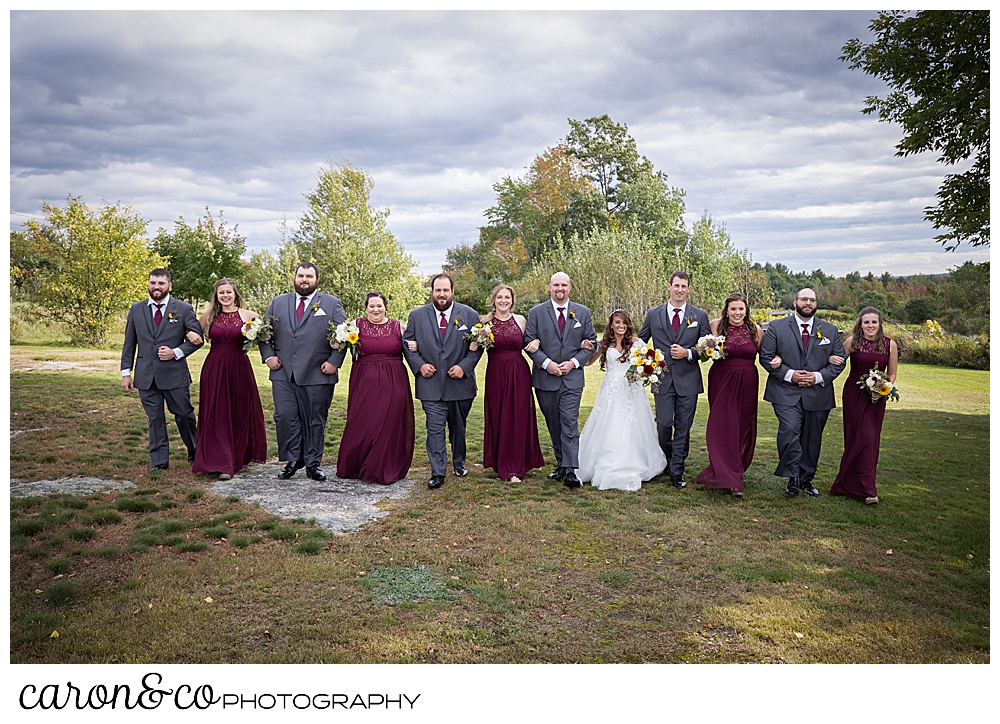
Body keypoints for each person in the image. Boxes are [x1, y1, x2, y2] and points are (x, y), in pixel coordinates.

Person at [258, 262, 347, 482]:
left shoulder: (331, 303)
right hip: (283, 372)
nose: (304, 280)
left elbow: (344, 335)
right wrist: (268, 356)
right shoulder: (278, 302)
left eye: (309, 276)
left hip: (318, 371)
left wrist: (334, 361)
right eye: (300, 275)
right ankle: (293, 459)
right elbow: (263, 333)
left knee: (315, 420)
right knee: (285, 416)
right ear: (295, 277)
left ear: (317, 279)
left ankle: (313, 463)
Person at [758, 288, 846, 496]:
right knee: (789, 430)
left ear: (816, 304)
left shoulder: (830, 330)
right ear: (795, 302)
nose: (808, 303)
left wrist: (816, 377)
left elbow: (839, 361)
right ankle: (792, 477)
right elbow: (766, 357)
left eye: (812, 300)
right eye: (804, 299)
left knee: (812, 437)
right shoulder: (777, 327)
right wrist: (790, 374)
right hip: (785, 391)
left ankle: (806, 479)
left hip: (818, 393)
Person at [403, 273, 484, 490]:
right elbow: (407, 343)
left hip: (459, 384)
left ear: (452, 291)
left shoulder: (469, 315)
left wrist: (464, 367)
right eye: (437, 290)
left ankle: (459, 463)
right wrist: (419, 365)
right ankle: (438, 471)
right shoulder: (417, 316)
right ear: (432, 291)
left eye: (445, 290)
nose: (441, 294)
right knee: (435, 428)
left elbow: (478, 346)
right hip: (430, 385)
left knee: (458, 427)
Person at [120, 268, 204, 473]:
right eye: (153, 283)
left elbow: (197, 340)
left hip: (174, 375)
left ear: (169, 286)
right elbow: (129, 343)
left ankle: (195, 452)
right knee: (155, 419)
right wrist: (126, 373)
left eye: (161, 283)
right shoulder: (136, 309)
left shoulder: (183, 309)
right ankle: (159, 462)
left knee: (184, 415)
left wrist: (176, 352)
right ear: (148, 284)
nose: (156, 287)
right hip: (146, 376)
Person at [523, 272, 598, 489]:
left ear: (570, 287)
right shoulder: (536, 313)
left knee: (569, 422)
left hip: (572, 379)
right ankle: (561, 464)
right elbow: (529, 342)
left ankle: (572, 470)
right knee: (554, 423)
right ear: (550, 287)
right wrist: (548, 364)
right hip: (545, 378)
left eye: (564, 285)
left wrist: (573, 362)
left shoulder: (582, 312)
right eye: (556, 285)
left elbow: (591, 342)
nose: (560, 288)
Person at [578, 310, 666, 491]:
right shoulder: (604, 343)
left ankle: (635, 461)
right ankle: (606, 462)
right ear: (611, 324)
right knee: (609, 423)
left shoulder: (635, 342)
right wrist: (585, 346)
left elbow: (651, 359)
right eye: (617, 322)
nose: (621, 326)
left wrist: (646, 370)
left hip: (631, 388)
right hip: (610, 389)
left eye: (624, 323)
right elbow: (588, 362)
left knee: (633, 423)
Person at [638, 271, 711, 489]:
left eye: (684, 286)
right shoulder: (653, 313)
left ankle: (677, 469)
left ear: (689, 289)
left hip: (688, 380)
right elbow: (641, 341)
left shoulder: (699, 315)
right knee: (663, 424)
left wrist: (688, 353)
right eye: (676, 285)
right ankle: (666, 459)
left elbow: (707, 348)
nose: (679, 289)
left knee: (683, 426)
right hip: (661, 378)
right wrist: (645, 361)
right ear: (668, 286)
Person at [190, 278, 268, 480]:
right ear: (216, 295)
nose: (225, 295)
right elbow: (193, 336)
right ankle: (220, 461)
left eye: (228, 292)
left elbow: (266, 338)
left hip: (239, 367)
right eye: (221, 292)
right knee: (216, 413)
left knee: (238, 412)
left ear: (235, 294)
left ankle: (237, 457)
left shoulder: (249, 316)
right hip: (214, 367)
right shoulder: (208, 316)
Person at [335, 291, 415, 485]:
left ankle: (381, 466)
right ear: (366, 308)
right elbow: (336, 344)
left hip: (394, 381)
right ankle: (357, 463)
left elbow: (414, 346)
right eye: (372, 306)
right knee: (363, 422)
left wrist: (415, 345)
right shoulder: (355, 326)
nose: (376, 309)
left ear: (386, 307)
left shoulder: (399, 327)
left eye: (379, 305)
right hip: (363, 382)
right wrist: (337, 340)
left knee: (388, 423)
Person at [695, 293, 762, 497]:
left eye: (741, 309)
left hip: (748, 381)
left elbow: (765, 354)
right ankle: (723, 471)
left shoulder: (755, 329)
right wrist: (706, 349)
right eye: (733, 309)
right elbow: (703, 349)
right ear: (727, 310)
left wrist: (777, 360)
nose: (737, 313)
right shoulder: (716, 325)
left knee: (741, 426)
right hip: (722, 379)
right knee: (722, 425)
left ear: (746, 310)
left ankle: (735, 474)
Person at [476, 285, 545, 483]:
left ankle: (517, 465)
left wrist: (536, 342)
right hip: (496, 373)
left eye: (507, 297)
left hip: (519, 372)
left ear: (512, 300)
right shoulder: (485, 322)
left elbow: (531, 341)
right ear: (494, 300)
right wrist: (473, 343)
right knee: (499, 416)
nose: (503, 301)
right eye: (500, 297)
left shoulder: (521, 320)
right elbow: (476, 348)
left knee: (517, 416)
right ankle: (501, 463)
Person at [830, 307, 898, 505]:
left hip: (876, 396)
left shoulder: (889, 345)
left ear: (880, 323)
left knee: (869, 438)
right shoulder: (853, 341)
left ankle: (868, 488)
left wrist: (883, 387)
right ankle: (847, 484)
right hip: (854, 393)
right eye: (866, 322)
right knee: (855, 437)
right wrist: (829, 358)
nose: (870, 326)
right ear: (860, 324)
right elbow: (838, 361)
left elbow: (892, 373)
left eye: (874, 322)